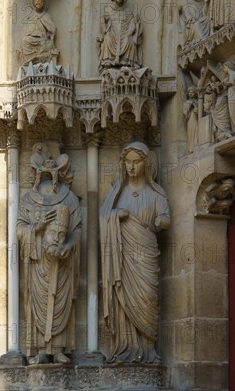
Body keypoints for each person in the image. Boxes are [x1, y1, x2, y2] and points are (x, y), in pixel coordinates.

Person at [100, 142, 170, 364]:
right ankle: (126, 348)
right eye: (127, 162)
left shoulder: (157, 193)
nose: (131, 167)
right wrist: (114, 216)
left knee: (147, 297)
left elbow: (166, 218)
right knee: (124, 299)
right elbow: (102, 220)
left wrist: (162, 221)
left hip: (146, 255)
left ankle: (148, 350)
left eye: (136, 162)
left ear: (146, 163)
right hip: (123, 257)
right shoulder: (116, 193)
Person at [17, 145, 81, 365]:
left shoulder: (70, 199)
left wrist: (69, 245)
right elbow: (19, 230)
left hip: (62, 262)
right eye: (43, 170)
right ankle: (39, 349)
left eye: (53, 170)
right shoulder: (27, 200)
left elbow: (78, 230)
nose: (48, 173)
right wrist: (36, 226)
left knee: (62, 300)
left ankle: (60, 348)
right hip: (38, 262)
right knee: (37, 302)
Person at [98, 0, 142, 68]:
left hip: (125, 34)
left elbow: (133, 22)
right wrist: (104, 30)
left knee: (129, 40)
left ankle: (127, 60)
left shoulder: (128, 12)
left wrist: (131, 31)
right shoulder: (109, 9)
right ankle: (107, 60)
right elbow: (103, 18)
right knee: (108, 38)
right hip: (113, 34)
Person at [19, 0, 58, 65]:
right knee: (25, 40)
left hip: (42, 40)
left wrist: (50, 35)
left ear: (43, 3)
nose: (38, 2)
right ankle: (29, 61)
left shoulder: (46, 16)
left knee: (45, 45)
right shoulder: (30, 16)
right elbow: (27, 30)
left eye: (40, 1)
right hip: (32, 39)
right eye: (36, 0)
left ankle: (38, 57)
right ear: (33, 2)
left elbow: (53, 29)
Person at [183, 86, 198, 153]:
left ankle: (196, 146)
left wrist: (195, 107)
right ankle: (190, 148)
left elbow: (200, 111)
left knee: (196, 132)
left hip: (196, 119)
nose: (191, 93)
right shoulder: (186, 103)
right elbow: (184, 112)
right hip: (190, 119)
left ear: (195, 93)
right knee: (190, 133)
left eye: (192, 92)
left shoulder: (197, 101)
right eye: (189, 92)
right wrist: (189, 107)